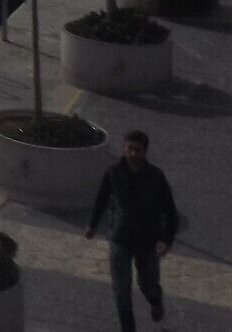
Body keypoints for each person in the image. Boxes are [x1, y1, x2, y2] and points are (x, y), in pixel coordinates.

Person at [87, 129, 180, 330]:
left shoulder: (155, 176)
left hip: (147, 240)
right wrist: (92, 225)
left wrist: (166, 240)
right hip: (120, 237)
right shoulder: (113, 172)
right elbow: (102, 199)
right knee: (121, 290)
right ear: (124, 148)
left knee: (147, 284)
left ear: (144, 152)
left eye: (137, 150)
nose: (132, 154)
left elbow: (171, 212)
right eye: (129, 149)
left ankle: (156, 301)